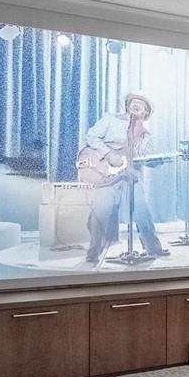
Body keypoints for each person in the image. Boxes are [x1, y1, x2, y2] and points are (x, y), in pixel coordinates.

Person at [78, 92, 166, 265]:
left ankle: (153, 249)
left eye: (141, 104)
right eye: (133, 101)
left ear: (145, 113)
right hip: (106, 173)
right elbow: (91, 136)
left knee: (142, 212)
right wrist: (109, 154)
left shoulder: (146, 136)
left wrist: (156, 161)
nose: (136, 104)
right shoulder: (110, 119)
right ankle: (93, 253)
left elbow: (149, 160)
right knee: (100, 211)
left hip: (130, 175)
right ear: (127, 105)